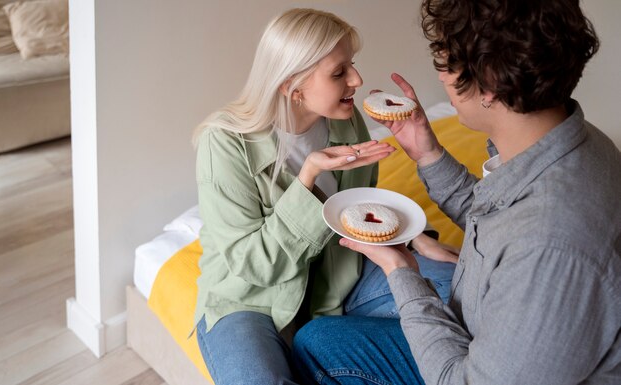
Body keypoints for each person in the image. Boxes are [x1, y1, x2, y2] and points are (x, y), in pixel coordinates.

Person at [292, 0, 621, 384]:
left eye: (445, 63)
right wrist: (428, 153)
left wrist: (401, 268)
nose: (442, 78)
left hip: (476, 370)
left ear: (491, 85)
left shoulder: (551, 247)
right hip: (505, 329)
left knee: (316, 346)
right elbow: (503, 223)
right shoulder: (575, 142)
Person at [191, 8, 457, 385]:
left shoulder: (344, 119)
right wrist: (308, 177)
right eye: (339, 73)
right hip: (250, 299)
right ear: (291, 85)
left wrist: (413, 239)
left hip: (341, 275)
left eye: (352, 65)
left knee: (462, 294)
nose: (357, 79)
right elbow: (252, 265)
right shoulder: (224, 144)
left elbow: (357, 206)